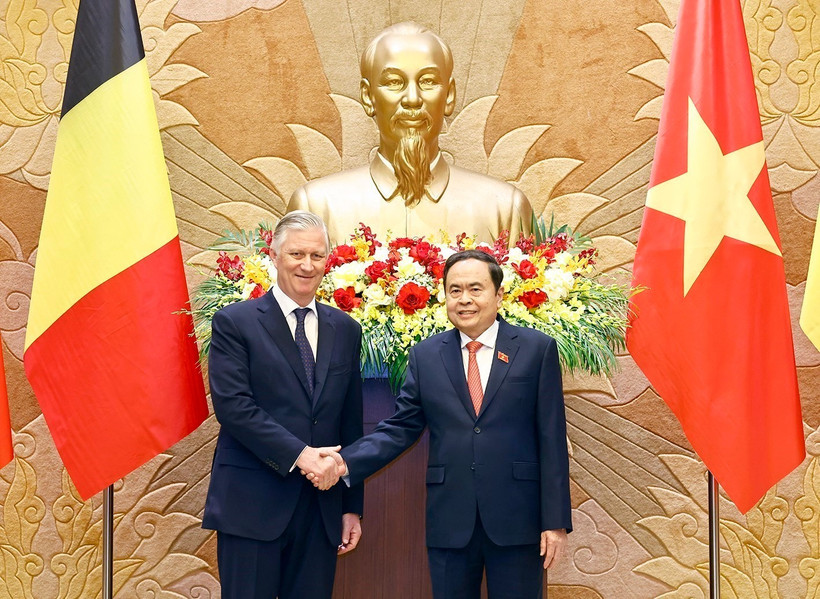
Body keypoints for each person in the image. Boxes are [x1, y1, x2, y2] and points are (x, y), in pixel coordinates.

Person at [314, 250, 572, 598]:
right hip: (451, 518)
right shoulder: (426, 355)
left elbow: (552, 439)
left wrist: (554, 521)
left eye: (475, 289)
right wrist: (345, 462)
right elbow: (400, 428)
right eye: (454, 290)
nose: (464, 299)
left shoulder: (536, 349)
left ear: (498, 295)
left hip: (518, 520)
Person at [202, 211, 363, 599]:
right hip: (252, 503)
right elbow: (234, 407)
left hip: (321, 509)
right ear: (273, 255)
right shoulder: (234, 322)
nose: (307, 265)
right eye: (296, 254)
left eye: (317, 256)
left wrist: (351, 507)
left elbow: (350, 422)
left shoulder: (346, 329)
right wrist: (301, 455)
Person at [288, 22, 533, 246]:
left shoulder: (504, 210)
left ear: (449, 96)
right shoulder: (317, 207)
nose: (413, 99)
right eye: (394, 82)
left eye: (428, 81)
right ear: (367, 96)